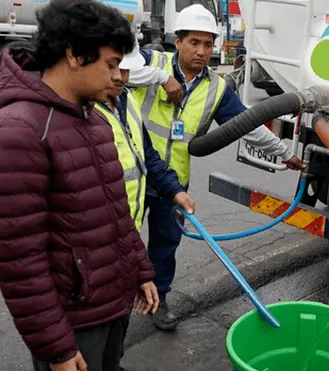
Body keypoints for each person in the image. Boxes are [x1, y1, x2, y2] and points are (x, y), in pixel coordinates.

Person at [0, 0, 160, 370]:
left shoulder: (95, 120)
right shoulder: (20, 130)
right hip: (73, 322)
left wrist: (140, 270)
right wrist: (56, 348)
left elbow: (116, 212)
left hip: (112, 303)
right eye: (110, 64)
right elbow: (20, 260)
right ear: (74, 54)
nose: (117, 76)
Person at [125, 3, 305, 331]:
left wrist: (283, 153)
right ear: (176, 41)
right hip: (134, 175)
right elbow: (121, 70)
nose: (202, 51)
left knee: (166, 244)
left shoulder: (217, 88)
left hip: (174, 182)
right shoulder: (152, 62)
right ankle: (116, 306)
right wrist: (162, 77)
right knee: (122, 242)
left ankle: (159, 299)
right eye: (194, 42)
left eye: (208, 44)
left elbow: (247, 126)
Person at [94, 41, 196, 370]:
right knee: (90, 331)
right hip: (93, 250)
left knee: (116, 324)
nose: (122, 77)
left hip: (124, 236)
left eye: (127, 69)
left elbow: (147, 155)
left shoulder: (126, 101)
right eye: (115, 68)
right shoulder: (78, 114)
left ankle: (113, 362)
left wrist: (174, 191)